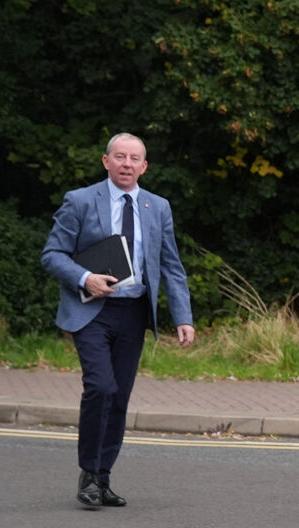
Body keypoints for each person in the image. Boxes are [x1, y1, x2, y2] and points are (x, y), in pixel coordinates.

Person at [41, 133, 195, 508]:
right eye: (120, 157)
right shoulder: (79, 201)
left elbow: (172, 267)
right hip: (92, 310)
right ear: (106, 161)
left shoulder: (157, 206)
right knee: (102, 388)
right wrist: (84, 277)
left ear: (144, 166)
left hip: (133, 313)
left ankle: (103, 477)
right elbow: (52, 254)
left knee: (120, 398)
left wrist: (183, 317)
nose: (127, 164)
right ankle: (89, 473)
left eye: (135, 158)